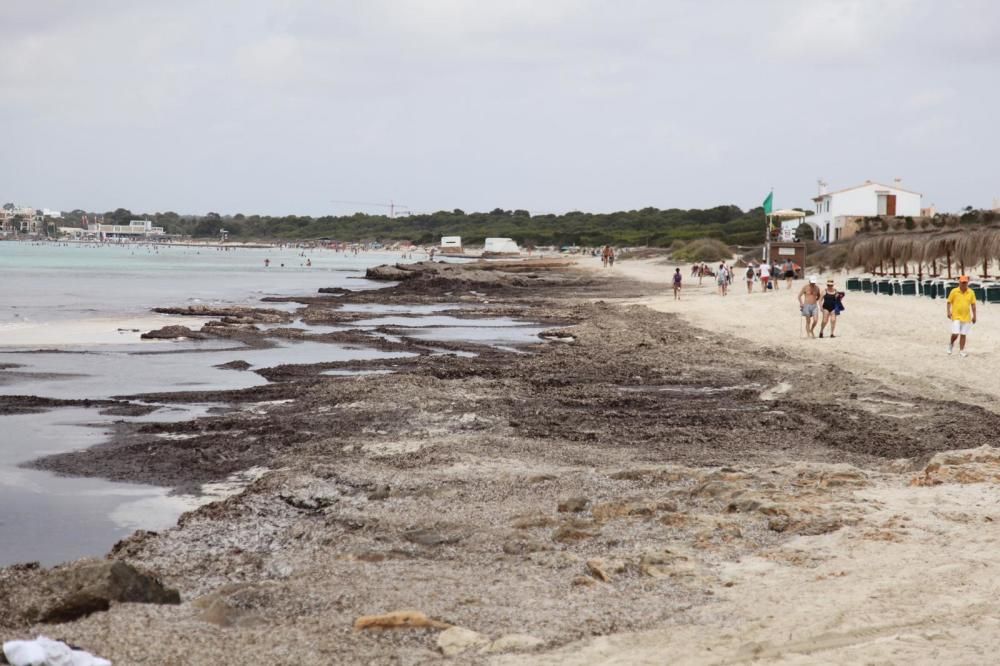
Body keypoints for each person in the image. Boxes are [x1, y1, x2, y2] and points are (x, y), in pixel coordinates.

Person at [947, 275, 977, 357]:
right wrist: (948, 312)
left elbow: (973, 305)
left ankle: (961, 351)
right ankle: (951, 343)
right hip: (956, 316)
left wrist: (974, 316)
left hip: (966, 317)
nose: (964, 284)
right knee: (956, 333)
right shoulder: (954, 291)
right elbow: (949, 302)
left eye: (965, 283)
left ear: (967, 283)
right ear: (959, 282)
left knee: (963, 334)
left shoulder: (971, 292)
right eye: (962, 282)